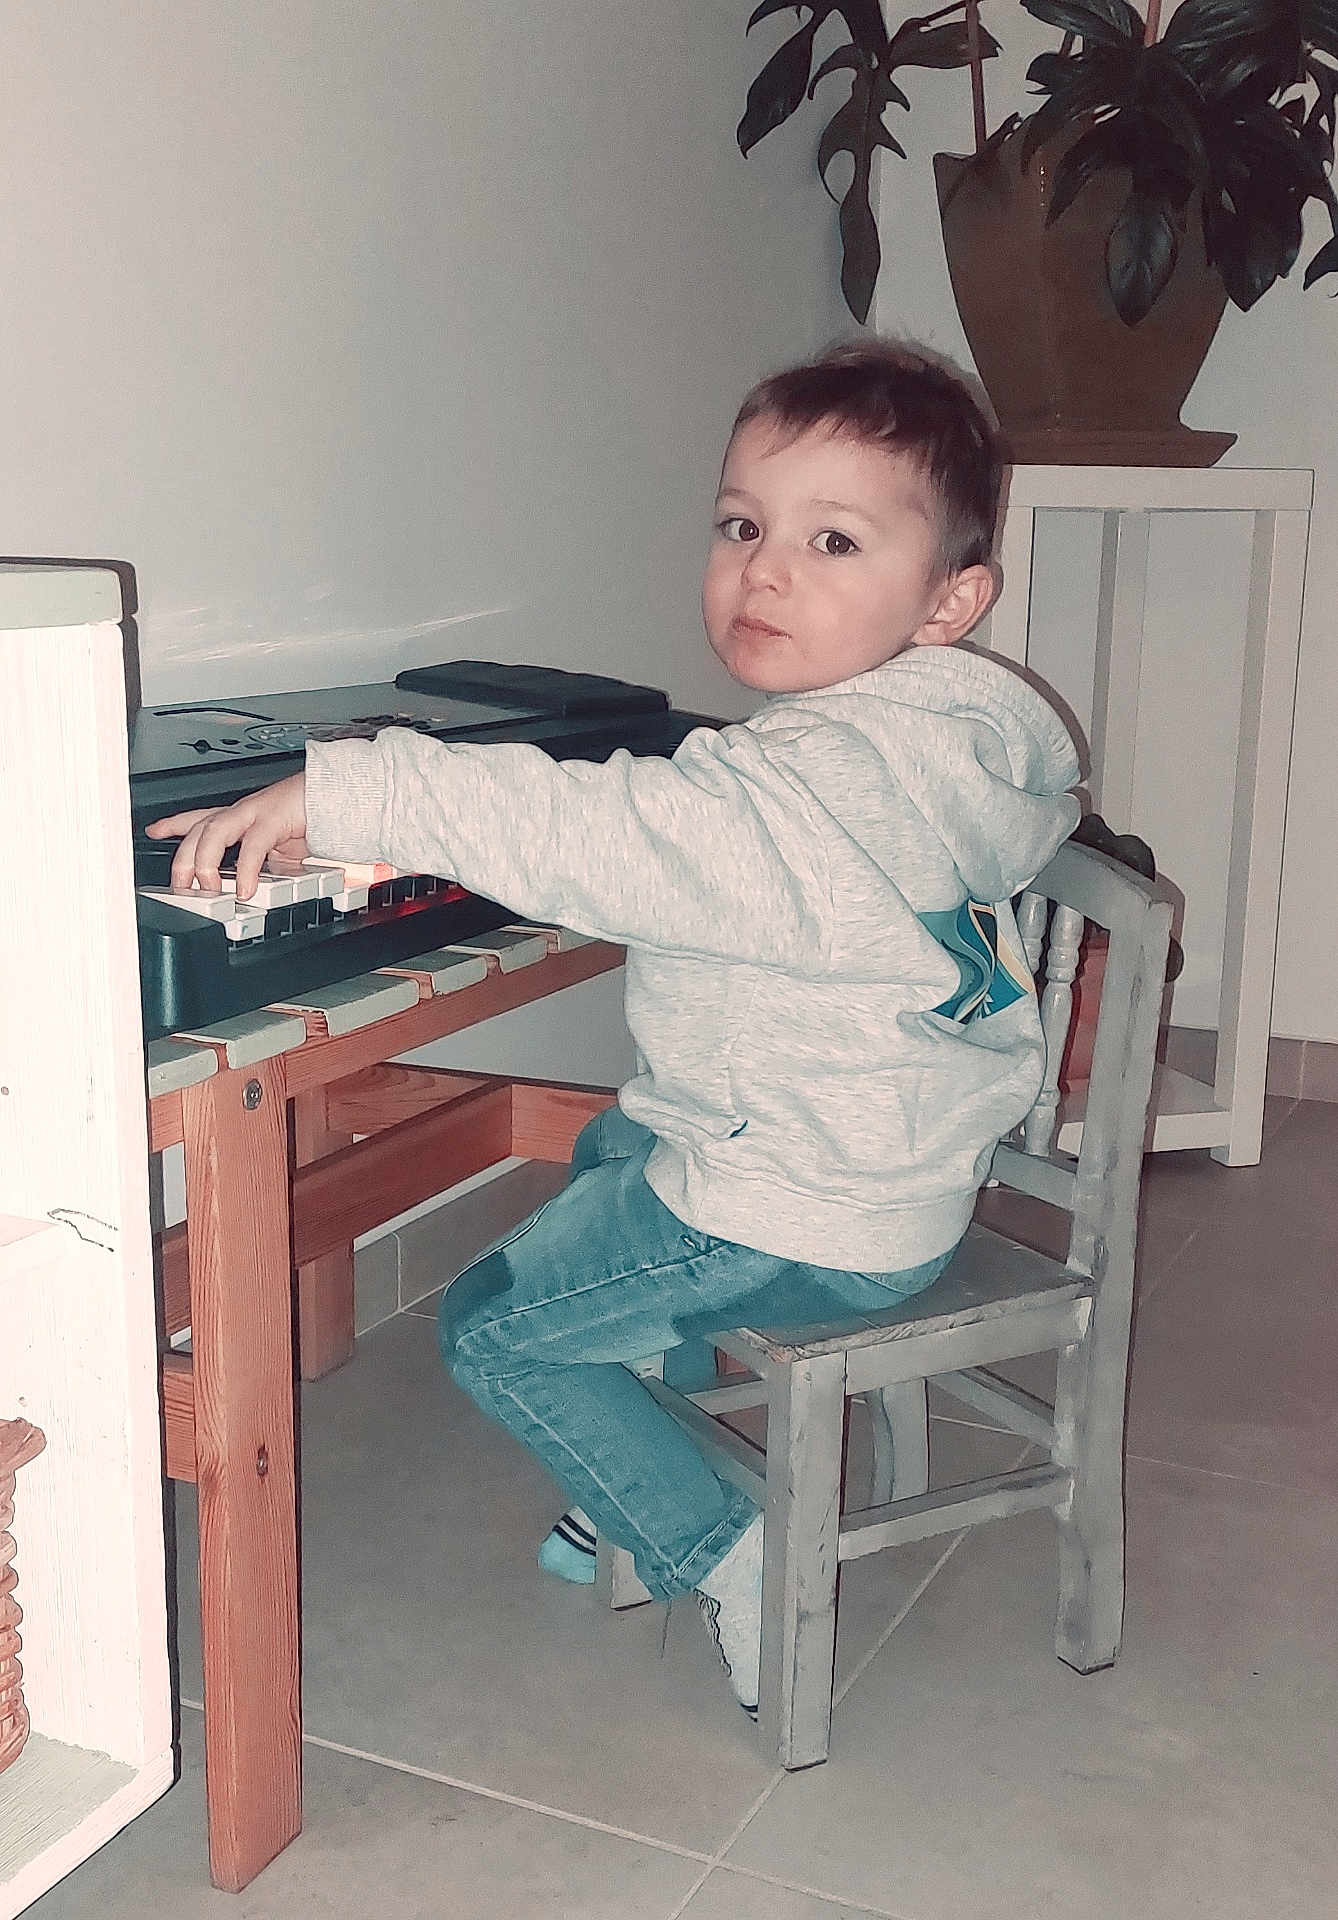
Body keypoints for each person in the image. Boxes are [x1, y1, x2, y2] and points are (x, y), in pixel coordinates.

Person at [148, 339, 1081, 1719]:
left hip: (800, 1209)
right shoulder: (935, 745)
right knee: (614, 1145)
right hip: (889, 1172)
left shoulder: (812, 782)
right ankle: (628, 1471)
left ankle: (727, 1549)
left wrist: (363, 795)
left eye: (831, 541)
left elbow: (621, 828)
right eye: (741, 526)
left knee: (490, 1331)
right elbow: (689, 829)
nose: (765, 569)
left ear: (948, 600)